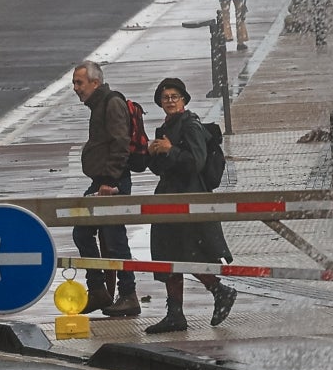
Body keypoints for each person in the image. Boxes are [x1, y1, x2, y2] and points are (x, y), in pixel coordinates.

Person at [138, 77, 236, 333]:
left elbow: (196, 163)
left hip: (188, 199)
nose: (170, 101)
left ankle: (220, 290)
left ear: (183, 100)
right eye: (165, 97)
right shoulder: (166, 127)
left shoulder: (191, 125)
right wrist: (153, 154)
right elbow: (162, 169)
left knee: (188, 253)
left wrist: (171, 149)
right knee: (168, 255)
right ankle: (175, 314)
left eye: (174, 97)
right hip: (169, 198)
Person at [70, 61, 141, 316]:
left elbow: (121, 143)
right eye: (74, 83)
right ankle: (98, 289)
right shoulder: (98, 104)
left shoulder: (111, 103)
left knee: (115, 239)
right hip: (102, 182)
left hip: (113, 183)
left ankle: (129, 294)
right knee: (82, 232)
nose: (75, 88)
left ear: (95, 83)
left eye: (79, 83)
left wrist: (110, 182)